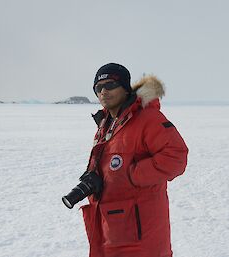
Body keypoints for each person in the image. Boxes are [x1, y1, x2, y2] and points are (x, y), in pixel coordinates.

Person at [80, 63, 188, 257]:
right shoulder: (107, 123)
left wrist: (131, 175)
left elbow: (176, 156)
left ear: (125, 87)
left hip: (141, 236)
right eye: (98, 87)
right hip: (112, 230)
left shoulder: (148, 118)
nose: (104, 91)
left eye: (111, 84)